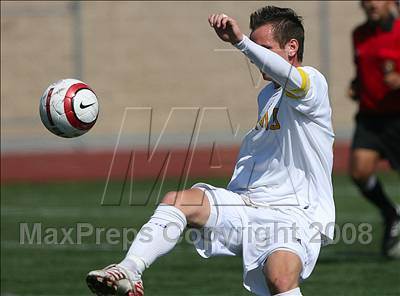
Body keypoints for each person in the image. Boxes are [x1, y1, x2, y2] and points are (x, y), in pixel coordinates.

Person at [86, 6, 335, 296]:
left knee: (279, 278)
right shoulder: (268, 94)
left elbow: (292, 78)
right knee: (178, 201)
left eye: (262, 47)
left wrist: (241, 42)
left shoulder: (311, 83)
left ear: (292, 47)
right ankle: (129, 270)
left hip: (296, 213)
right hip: (248, 204)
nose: (255, 56)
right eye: (253, 47)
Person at [348, 0, 400, 258]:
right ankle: (391, 213)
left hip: (398, 118)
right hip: (369, 118)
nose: (371, 4)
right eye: (366, 1)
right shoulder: (358, 34)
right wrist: (356, 85)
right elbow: (362, 71)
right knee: (359, 171)